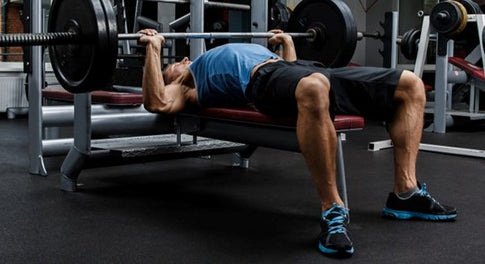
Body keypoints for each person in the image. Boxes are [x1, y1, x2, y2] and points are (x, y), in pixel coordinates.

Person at [138, 28, 457, 258]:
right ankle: (333, 209)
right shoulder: (186, 86)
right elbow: (157, 102)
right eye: (169, 67)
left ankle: (405, 192)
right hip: (260, 81)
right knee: (314, 88)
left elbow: (290, 77)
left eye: (174, 62)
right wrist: (153, 49)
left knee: (410, 85)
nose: (176, 63)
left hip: (299, 69)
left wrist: (287, 44)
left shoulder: (199, 61)